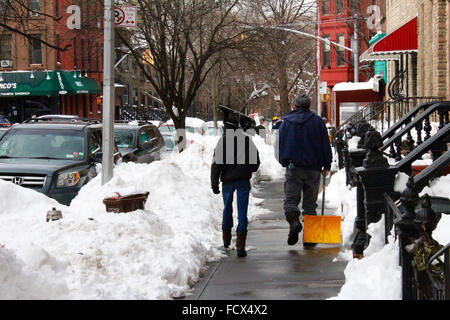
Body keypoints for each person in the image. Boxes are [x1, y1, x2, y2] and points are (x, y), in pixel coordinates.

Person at [277, 93, 332, 247]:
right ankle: (310, 239)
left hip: (293, 167)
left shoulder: (286, 122)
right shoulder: (317, 122)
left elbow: (281, 144)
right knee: (310, 204)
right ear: (309, 106)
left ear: (295, 105)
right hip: (313, 168)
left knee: (290, 200)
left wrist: (284, 161)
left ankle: (294, 222)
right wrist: (326, 164)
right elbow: (325, 145)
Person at [211, 111, 261, 257]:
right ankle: (240, 245)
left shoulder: (222, 142)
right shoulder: (246, 141)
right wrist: (247, 170)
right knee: (242, 212)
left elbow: (216, 165)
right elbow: (256, 163)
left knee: (227, 209)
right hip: (243, 181)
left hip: (227, 181)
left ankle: (226, 240)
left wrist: (214, 183)